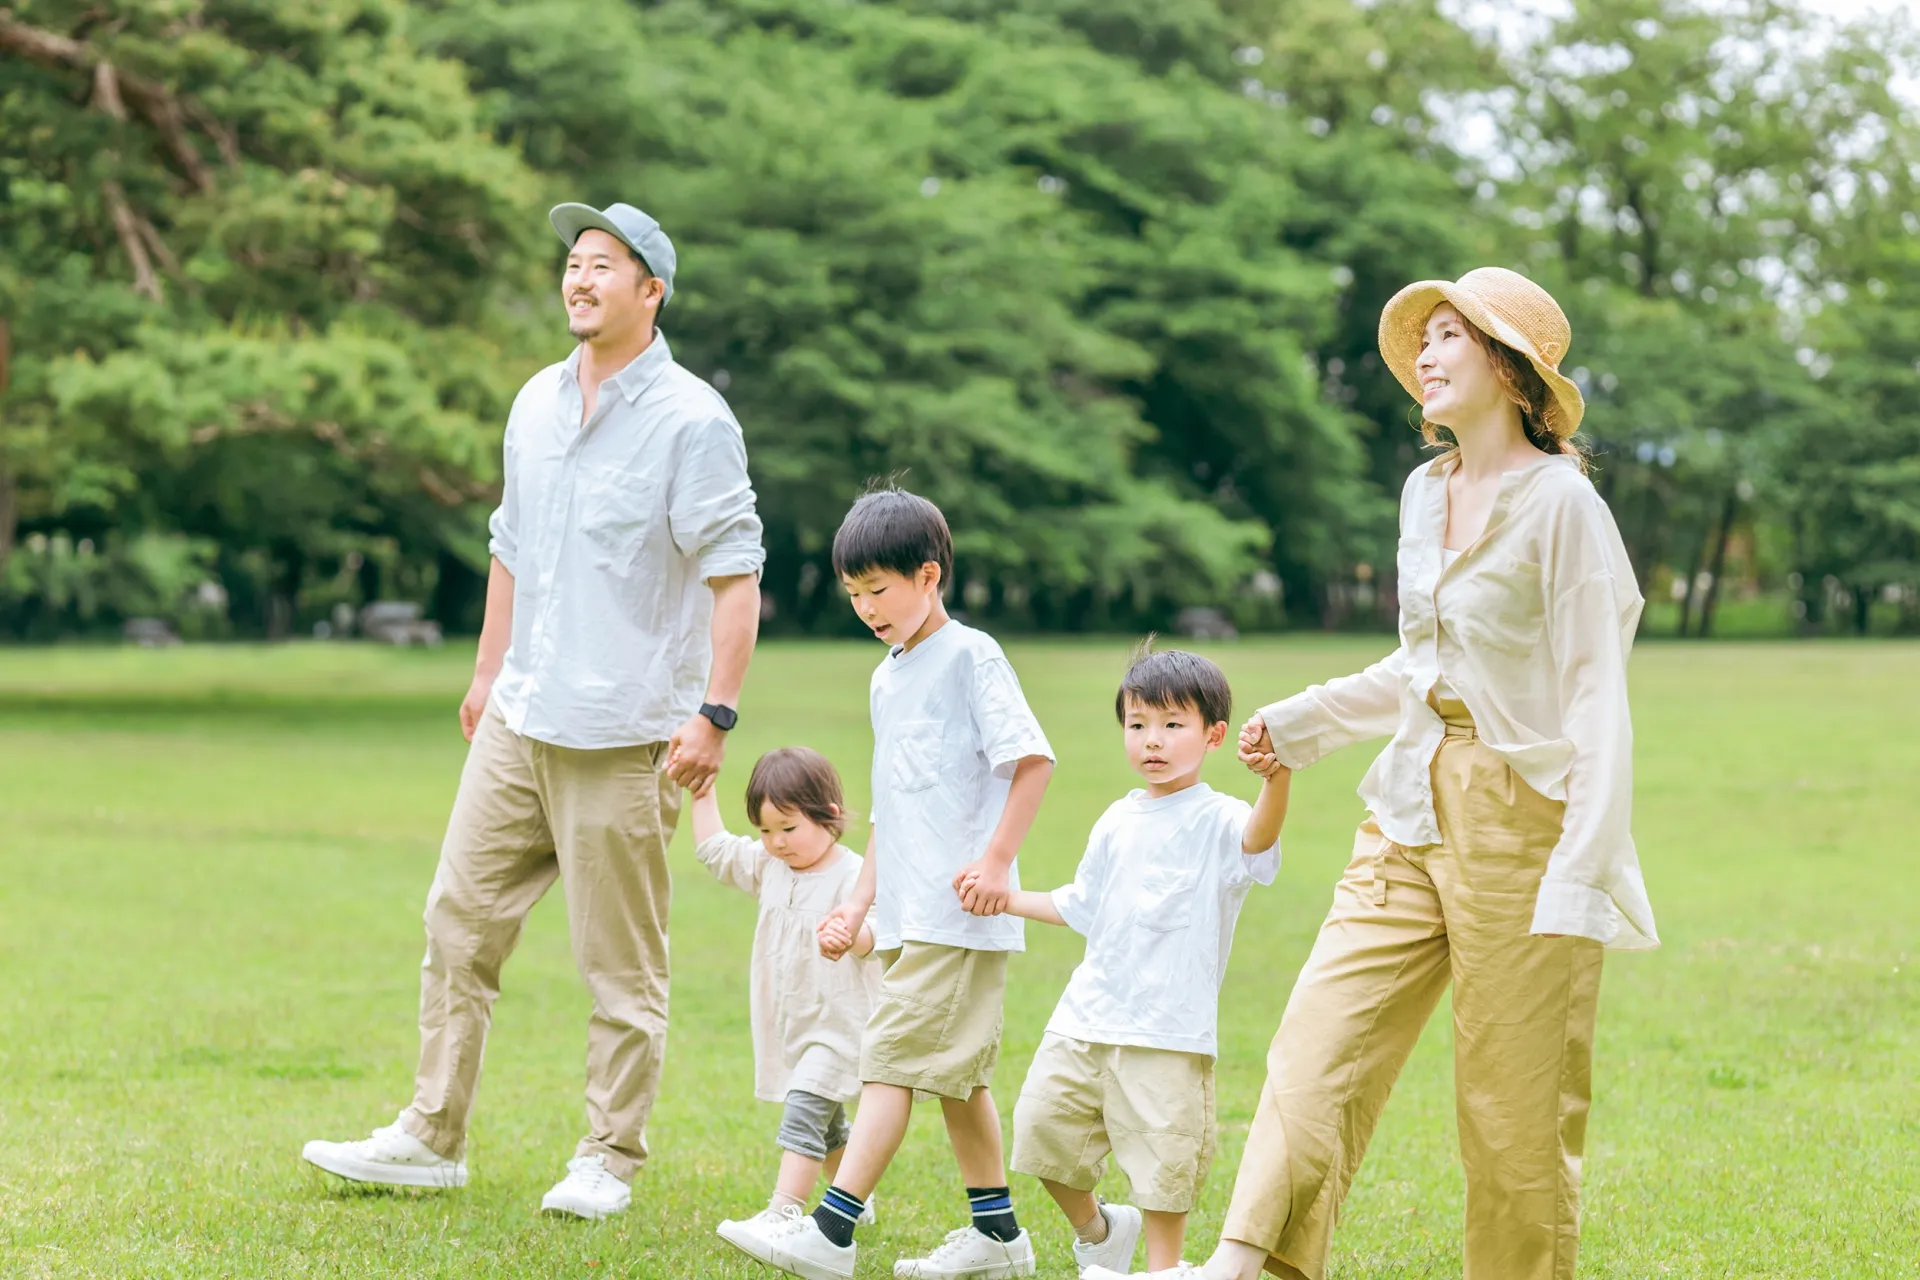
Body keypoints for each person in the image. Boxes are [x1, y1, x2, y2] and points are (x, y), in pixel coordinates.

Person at [1091, 267, 1657, 1280]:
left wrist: (1582, 868)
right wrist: (1304, 721)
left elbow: (1595, 700)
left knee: (1511, 1111)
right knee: (1318, 1044)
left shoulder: (1564, 507)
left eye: (1451, 336)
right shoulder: (1423, 490)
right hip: (1406, 798)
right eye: (1424, 340)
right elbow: (1420, 665)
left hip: (1525, 822)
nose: (1426, 358)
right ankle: (1240, 1261)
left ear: (1508, 367)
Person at [300, 202, 765, 1219]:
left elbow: (736, 578)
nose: (580, 277)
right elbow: (512, 546)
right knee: (456, 922)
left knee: (619, 963)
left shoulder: (694, 419)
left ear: (652, 291)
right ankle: (430, 1134)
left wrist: (714, 714)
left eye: (606, 264)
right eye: (572, 262)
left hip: (628, 730)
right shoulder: (534, 404)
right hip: (521, 718)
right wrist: (484, 671)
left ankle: (609, 1154)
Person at [724, 487, 1055, 1280]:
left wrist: (997, 863)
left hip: (961, 914)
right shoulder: (886, 678)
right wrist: (859, 901)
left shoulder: (972, 656)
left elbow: (1032, 761)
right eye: (854, 594)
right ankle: (1000, 1237)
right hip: (910, 918)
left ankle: (829, 1234)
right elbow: (892, 815)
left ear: (928, 575)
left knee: (887, 1063)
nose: (866, 607)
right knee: (955, 1083)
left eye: (879, 589)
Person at [997, 647, 1289, 1275]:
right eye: (1137, 725)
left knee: (1164, 1166)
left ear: (1213, 735)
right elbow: (1083, 904)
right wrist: (1006, 898)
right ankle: (1099, 1232)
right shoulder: (1116, 819)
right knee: (1039, 1131)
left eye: (1171, 725)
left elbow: (1257, 844)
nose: (1152, 740)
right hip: (1085, 1018)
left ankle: (1165, 1269)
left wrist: (1277, 779)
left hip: (1167, 1030)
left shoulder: (1220, 818)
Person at [693, 747, 884, 1239]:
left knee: (804, 1109)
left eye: (789, 828)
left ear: (831, 817)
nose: (776, 842)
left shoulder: (853, 875)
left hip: (841, 1022)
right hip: (795, 1021)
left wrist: (852, 936)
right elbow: (716, 851)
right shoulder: (770, 865)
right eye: (765, 830)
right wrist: (702, 790)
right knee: (829, 1121)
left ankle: (783, 1211)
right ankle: (853, 1199)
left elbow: (880, 935)